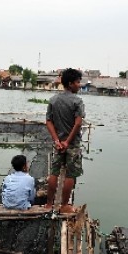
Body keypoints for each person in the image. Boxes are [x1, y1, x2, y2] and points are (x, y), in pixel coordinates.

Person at [45, 68, 85, 213]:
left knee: (54, 173)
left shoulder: (53, 100)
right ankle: (64, 205)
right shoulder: (77, 101)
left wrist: (57, 140)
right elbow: (78, 123)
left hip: (58, 143)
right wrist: (67, 142)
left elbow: (48, 121)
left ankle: (49, 204)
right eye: (78, 82)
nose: (79, 85)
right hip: (72, 144)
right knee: (70, 174)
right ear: (70, 83)